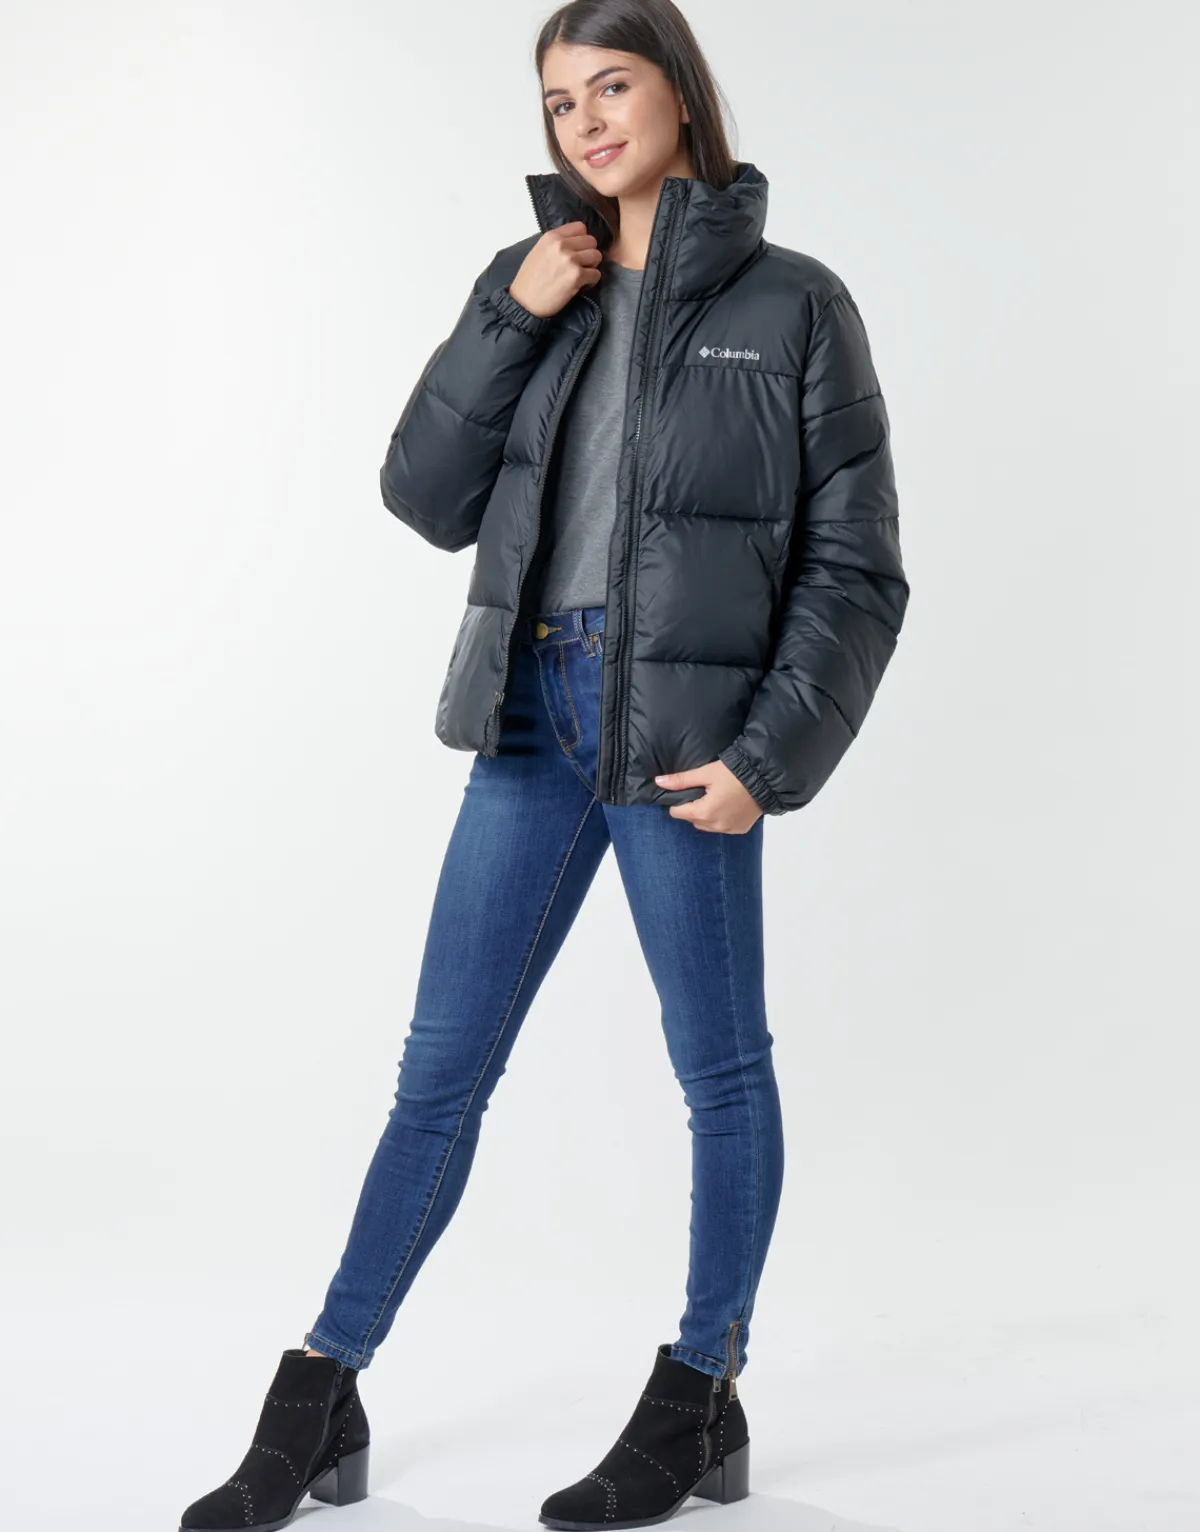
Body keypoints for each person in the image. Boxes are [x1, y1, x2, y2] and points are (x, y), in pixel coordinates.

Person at [179, 2, 909, 1529]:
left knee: (721, 1074)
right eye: (560, 103)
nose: (587, 123)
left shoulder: (795, 304)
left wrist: (771, 756)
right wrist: (510, 314)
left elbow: (857, 567)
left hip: (684, 742)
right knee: (439, 1074)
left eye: (611, 85)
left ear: (680, 92)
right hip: (529, 716)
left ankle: (701, 1391)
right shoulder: (536, 285)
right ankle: (322, 1385)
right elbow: (422, 494)